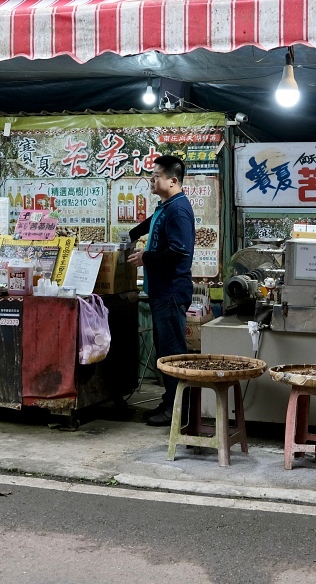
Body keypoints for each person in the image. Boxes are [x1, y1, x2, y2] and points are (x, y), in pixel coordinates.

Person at [128, 155, 195, 427]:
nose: (151, 180)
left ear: (173, 180)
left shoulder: (178, 209)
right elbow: (150, 223)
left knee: (173, 352)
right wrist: (130, 236)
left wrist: (146, 257)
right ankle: (170, 402)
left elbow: (179, 251)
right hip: (160, 291)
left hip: (170, 291)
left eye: (156, 176)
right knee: (164, 353)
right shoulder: (165, 206)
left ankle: (180, 412)